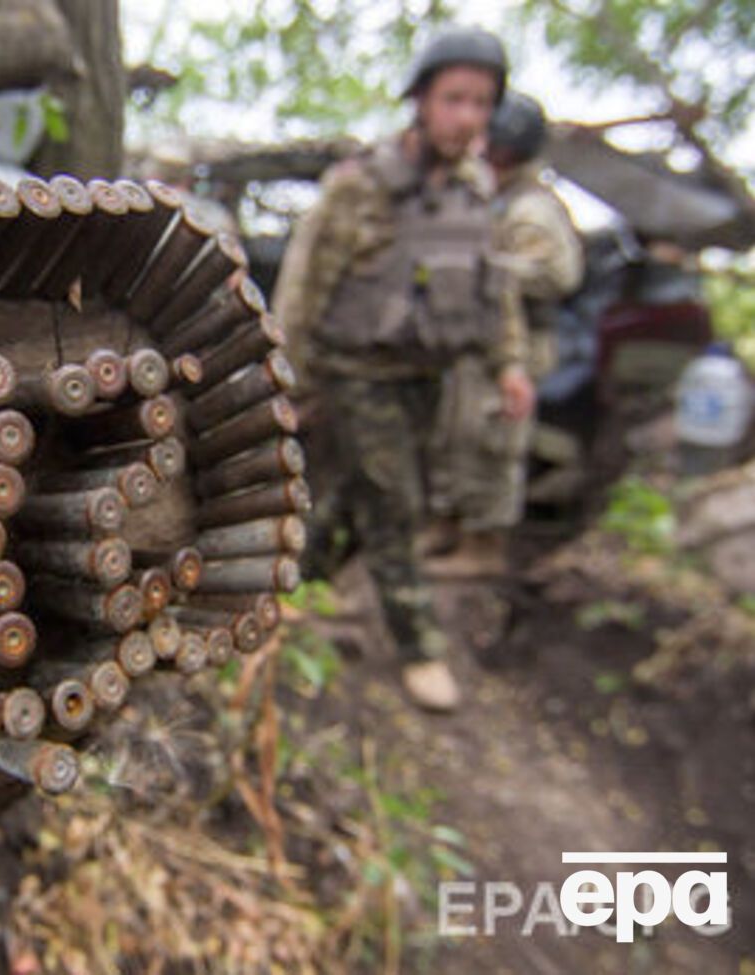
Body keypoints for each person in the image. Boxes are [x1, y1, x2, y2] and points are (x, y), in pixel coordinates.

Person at [272, 26, 533, 712]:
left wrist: (508, 365)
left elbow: (494, 289)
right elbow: (303, 288)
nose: (469, 116)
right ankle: (419, 647)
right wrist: (288, 383)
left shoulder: (476, 192)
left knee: (365, 497)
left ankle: (291, 584)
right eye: (455, 99)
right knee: (397, 504)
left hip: (428, 378)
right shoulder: (362, 187)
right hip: (356, 374)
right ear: (421, 99)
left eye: (482, 103)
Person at [426, 92, 584, 575]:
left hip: (519, 346)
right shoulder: (490, 196)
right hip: (478, 343)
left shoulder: (530, 207)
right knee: (458, 433)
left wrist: (488, 272)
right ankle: (451, 525)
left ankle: (485, 545)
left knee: (495, 439)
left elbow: (560, 275)